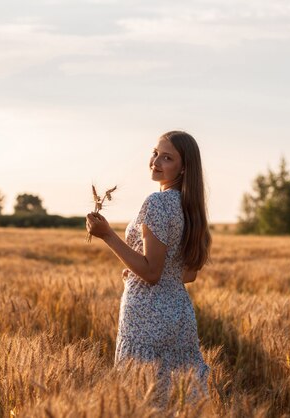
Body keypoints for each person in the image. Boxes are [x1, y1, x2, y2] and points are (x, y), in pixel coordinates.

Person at [86, 130, 211, 403]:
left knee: (141, 398)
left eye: (167, 158)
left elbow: (152, 273)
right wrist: (134, 272)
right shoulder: (190, 207)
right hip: (178, 314)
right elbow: (187, 274)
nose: (155, 161)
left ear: (183, 167)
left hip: (145, 316)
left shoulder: (157, 203)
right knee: (178, 399)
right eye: (155, 153)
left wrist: (107, 235)